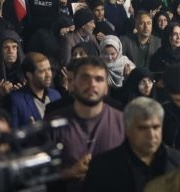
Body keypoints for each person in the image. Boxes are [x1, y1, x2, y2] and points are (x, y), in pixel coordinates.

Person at [47, 57, 125, 192]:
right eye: (85, 78)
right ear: (72, 83)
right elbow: (38, 177)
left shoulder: (123, 122)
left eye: (99, 79)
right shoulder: (53, 124)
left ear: (106, 87)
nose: (92, 84)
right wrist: (70, 173)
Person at [83, 97, 180, 192]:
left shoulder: (178, 161)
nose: (151, 135)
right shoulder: (102, 167)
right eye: (143, 128)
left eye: (156, 127)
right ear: (127, 130)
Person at [8, 52, 61, 128]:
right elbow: (13, 132)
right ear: (29, 75)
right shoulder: (16, 100)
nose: (48, 75)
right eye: (42, 71)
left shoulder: (55, 95)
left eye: (49, 69)